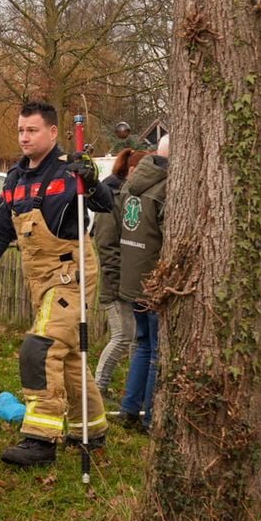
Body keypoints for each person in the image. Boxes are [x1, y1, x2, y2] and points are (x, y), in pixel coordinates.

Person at [0, 101, 114, 467]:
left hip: (70, 274)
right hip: (38, 278)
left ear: (52, 132)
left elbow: (106, 204)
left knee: (40, 347)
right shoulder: (15, 179)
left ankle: (40, 439)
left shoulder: (70, 171)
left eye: (32, 130)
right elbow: (2, 228)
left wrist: (92, 181)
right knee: (69, 356)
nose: (24, 137)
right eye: (20, 130)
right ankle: (91, 429)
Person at [114, 135, 170, 432]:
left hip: (132, 277)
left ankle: (129, 409)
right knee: (157, 349)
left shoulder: (131, 184)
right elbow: (169, 237)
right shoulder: (166, 188)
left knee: (143, 345)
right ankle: (150, 417)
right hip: (154, 278)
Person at [92, 147, 147, 398]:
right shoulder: (110, 199)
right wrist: (116, 282)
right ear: (132, 171)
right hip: (115, 284)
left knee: (136, 338)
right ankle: (98, 387)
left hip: (131, 282)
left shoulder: (131, 198)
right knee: (122, 336)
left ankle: (134, 390)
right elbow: (106, 245)